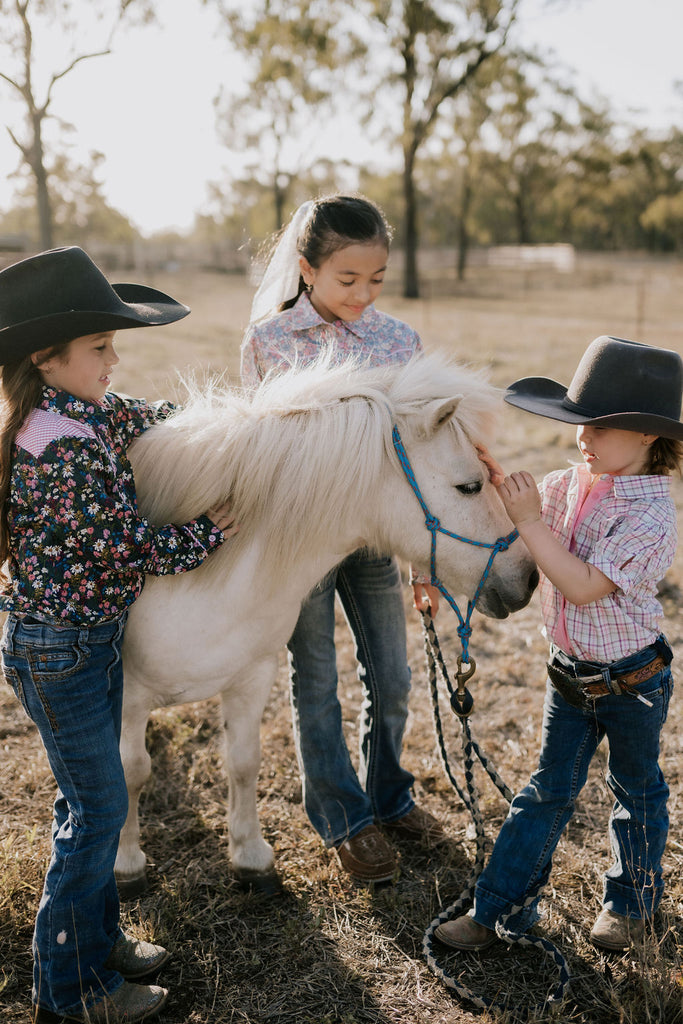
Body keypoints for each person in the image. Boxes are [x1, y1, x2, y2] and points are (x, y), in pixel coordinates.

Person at [0, 247, 238, 1023]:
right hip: (60, 648)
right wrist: (209, 532)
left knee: (91, 803)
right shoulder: (58, 448)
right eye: (100, 347)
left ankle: (97, 944)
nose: (114, 358)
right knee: (97, 812)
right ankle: (71, 992)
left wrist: (218, 428)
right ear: (48, 357)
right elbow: (129, 548)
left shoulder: (78, 410)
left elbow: (141, 413)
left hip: (83, 641)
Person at [435, 335, 682, 955]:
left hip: (633, 682)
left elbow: (581, 585)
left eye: (600, 427)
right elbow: (516, 527)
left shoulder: (653, 516)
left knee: (637, 791)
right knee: (546, 790)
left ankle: (631, 905)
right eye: (579, 422)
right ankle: (498, 911)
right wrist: (486, 478)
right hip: (568, 677)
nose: (584, 436)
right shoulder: (568, 483)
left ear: (650, 436)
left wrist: (528, 521)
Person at [241, 194, 444, 883]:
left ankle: (389, 793)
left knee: (390, 675)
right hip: (304, 539)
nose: (364, 294)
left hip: (377, 537)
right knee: (317, 677)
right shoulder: (270, 341)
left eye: (376, 278)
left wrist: (422, 558)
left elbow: (419, 453)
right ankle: (342, 817)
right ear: (306, 269)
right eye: (347, 280)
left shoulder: (398, 341)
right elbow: (264, 448)